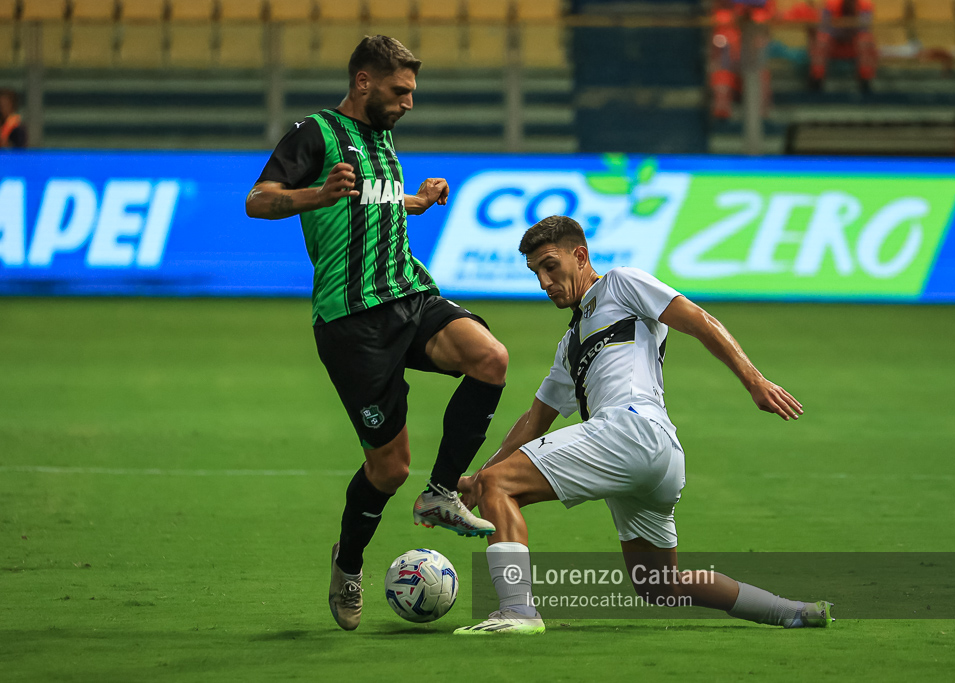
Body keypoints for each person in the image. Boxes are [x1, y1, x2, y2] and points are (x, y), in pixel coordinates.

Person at [454, 215, 832, 635]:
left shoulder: (620, 284)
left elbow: (699, 320)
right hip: (656, 453)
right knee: (659, 584)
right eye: (536, 273)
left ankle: (517, 611)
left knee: (500, 486)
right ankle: (792, 611)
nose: (544, 282)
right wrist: (480, 476)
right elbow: (534, 420)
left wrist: (754, 380)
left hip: (631, 429)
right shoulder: (570, 345)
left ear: (580, 256)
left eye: (550, 266)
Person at [245, 35, 508, 632]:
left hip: (407, 293)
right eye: (399, 90)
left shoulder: (382, 136)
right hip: (351, 321)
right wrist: (316, 194)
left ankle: (441, 493)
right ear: (363, 81)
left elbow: (369, 202)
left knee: (490, 357)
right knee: (388, 470)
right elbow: (258, 201)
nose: (408, 102)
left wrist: (415, 202)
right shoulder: (315, 133)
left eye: (411, 92)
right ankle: (349, 562)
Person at [810, 0, 877, 92]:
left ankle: (865, 81)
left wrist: (847, 25)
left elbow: (864, 28)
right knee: (822, 40)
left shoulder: (865, 5)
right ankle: (817, 80)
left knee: (865, 39)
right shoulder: (831, 4)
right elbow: (824, 27)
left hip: (854, 44)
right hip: (835, 43)